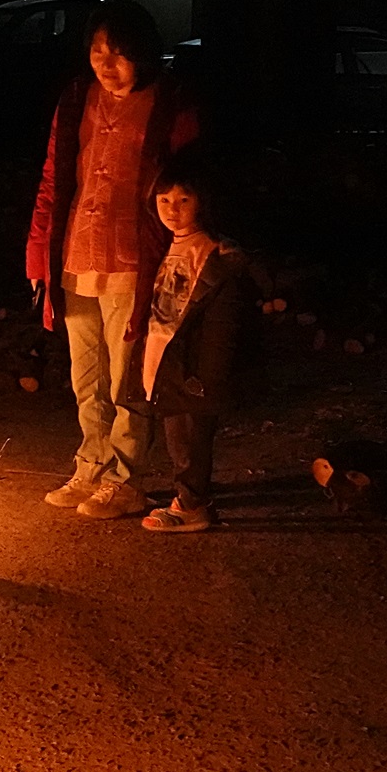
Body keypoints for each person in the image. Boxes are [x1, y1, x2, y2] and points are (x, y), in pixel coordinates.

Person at [24, 0, 201, 521]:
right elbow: (54, 179)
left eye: (119, 53)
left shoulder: (169, 106)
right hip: (77, 253)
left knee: (128, 380)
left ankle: (126, 479)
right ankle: (92, 464)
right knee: (88, 377)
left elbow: (189, 185)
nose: (107, 63)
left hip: (133, 260)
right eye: (98, 50)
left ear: (143, 54)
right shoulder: (76, 99)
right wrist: (38, 254)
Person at [129, 158, 251, 532]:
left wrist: (210, 373)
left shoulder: (216, 255)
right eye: (164, 200)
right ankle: (188, 494)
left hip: (194, 365)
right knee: (177, 436)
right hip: (166, 357)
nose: (173, 210)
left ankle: (192, 505)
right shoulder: (165, 247)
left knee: (191, 436)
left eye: (184, 200)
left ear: (202, 201)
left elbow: (223, 323)